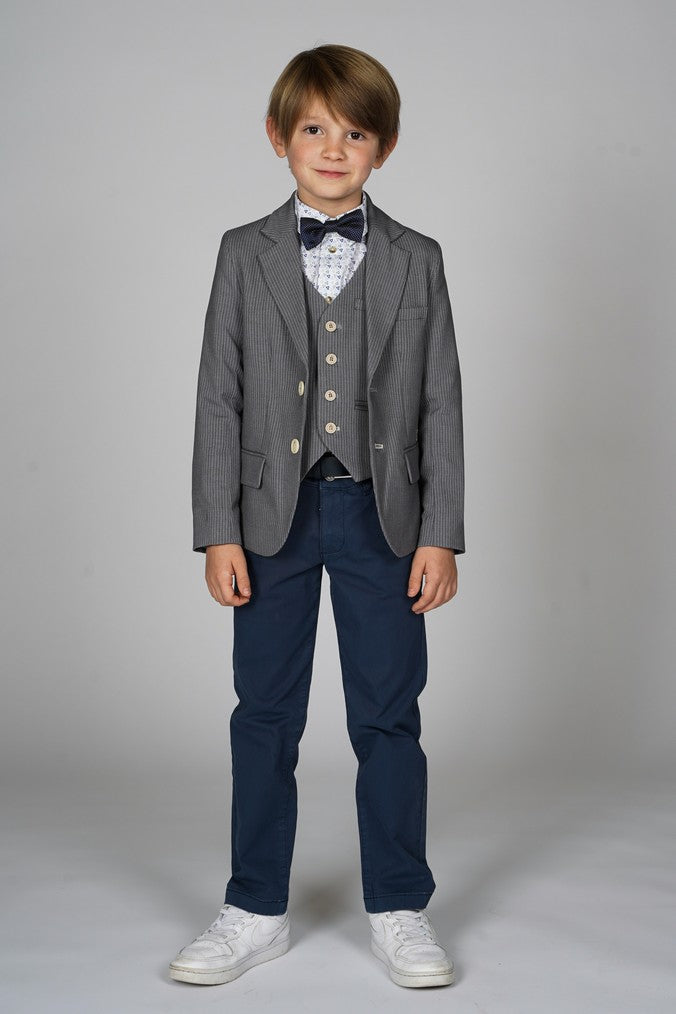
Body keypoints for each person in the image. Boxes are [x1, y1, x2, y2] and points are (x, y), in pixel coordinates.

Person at [169, 43, 465, 990]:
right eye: (314, 129)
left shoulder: (419, 259)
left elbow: (441, 403)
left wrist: (441, 532)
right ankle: (255, 907)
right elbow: (218, 396)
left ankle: (401, 905)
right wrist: (217, 527)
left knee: (388, 715)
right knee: (264, 714)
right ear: (278, 137)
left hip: (386, 517)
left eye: (356, 133)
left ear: (384, 148)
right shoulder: (242, 252)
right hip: (270, 517)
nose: (334, 149)